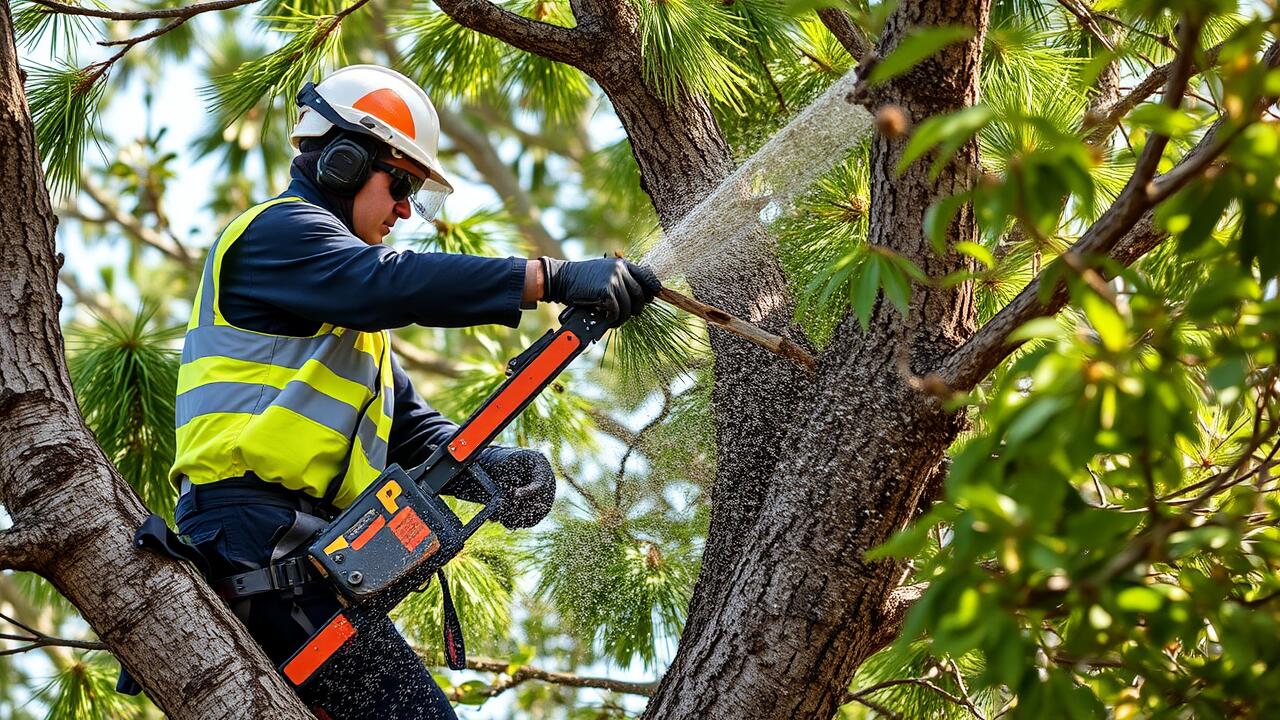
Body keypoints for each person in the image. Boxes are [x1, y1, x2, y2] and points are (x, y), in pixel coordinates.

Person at [168, 65, 659, 719]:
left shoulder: (343, 325)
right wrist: (551, 277)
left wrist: (492, 469)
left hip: (303, 550)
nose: (404, 210)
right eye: (400, 184)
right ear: (343, 161)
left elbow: (411, 430)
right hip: (254, 534)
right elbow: (387, 282)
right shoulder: (279, 233)